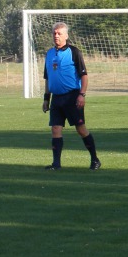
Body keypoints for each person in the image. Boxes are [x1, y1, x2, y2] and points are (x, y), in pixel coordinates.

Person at [41, 22, 101, 171]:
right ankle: (56, 164)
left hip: (72, 97)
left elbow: (84, 76)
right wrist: (46, 99)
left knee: (80, 129)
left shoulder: (74, 52)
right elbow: (48, 78)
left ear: (66, 36)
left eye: (59, 33)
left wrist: (82, 95)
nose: (56, 36)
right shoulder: (49, 54)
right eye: (54, 33)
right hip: (56, 98)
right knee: (55, 128)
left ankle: (95, 160)